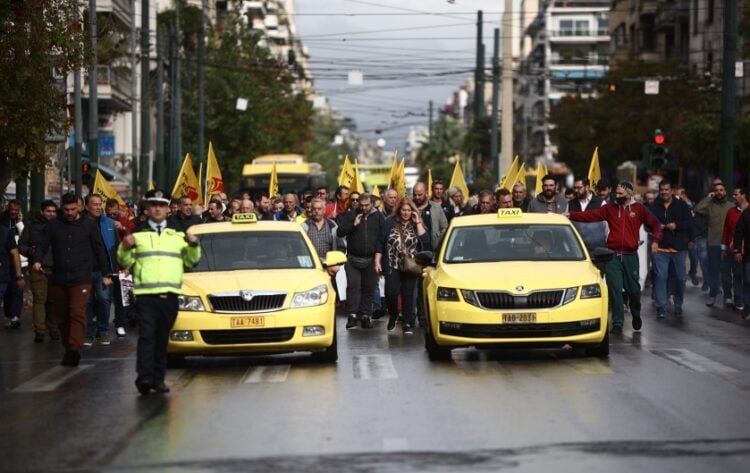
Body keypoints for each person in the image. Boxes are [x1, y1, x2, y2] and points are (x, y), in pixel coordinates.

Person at [117, 189, 201, 395]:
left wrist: (194, 245)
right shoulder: (138, 235)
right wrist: (125, 247)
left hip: (170, 295)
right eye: (153, 204)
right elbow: (124, 261)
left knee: (163, 338)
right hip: (146, 296)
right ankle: (144, 378)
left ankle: (158, 379)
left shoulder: (177, 236)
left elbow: (191, 261)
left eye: (161, 205)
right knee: (147, 336)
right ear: (147, 208)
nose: (157, 208)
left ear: (167, 209)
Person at [568, 181, 662, 333]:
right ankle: (618, 323)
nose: (616, 196)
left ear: (629, 193)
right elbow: (590, 216)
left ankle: (636, 313)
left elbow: (656, 225)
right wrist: (570, 215)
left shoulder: (639, 209)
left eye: (620, 194)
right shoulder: (609, 208)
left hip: (631, 256)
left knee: (633, 290)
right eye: (616, 193)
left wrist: (656, 241)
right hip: (612, 256)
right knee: (615, 290)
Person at [31, 193, 110, 367]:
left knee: (77, 311)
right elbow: (42, 244)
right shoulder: (53, 226)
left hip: (81, 276)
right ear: (62, 208)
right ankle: (68, 347)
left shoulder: (88, 226)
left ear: (79, 207)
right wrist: (37, 260)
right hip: (59, 277)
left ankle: (74, 348)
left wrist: (106, 274)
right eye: (66, 209)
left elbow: (99, 250)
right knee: (61, 315)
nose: (69, 212)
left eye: (73, 209)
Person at [375, 198, 430, 335]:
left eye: (409, 210)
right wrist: (377, 260)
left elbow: (426, 242)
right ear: (399, 210)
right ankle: (393, 314)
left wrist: (417, 222)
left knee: (408, 294)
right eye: (403, 210)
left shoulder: (417, 223)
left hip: (412, 265)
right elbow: (380, 242)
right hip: (393, 263)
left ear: (413, 211)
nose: (406, 213)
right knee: (390, 292)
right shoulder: (389, 222)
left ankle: (407, 322)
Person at [337, 193, 384, 329]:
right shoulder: (351, 214)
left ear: (371, 203)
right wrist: (353, 224)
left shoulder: (379, 216)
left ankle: (366, 316)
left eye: (366, 205)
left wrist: (379, 259)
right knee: (353, 287)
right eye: (361, 205)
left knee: (369, 288)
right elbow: (340, 232)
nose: (363, 208)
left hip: (371, 259)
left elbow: (382, 238)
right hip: (353, 258)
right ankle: (352, 316)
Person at [650, 181, 692, 318]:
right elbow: (647, 224)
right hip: (661, 247)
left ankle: (678, 303)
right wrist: (657, 227)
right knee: (661, 277)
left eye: (666, 189)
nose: (664, 192)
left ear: (671, 190)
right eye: (661, 190)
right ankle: (661, 306)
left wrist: (677, 225)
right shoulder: (654, 207)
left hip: (679, 248)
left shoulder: (681, 205)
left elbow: (690, 223)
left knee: (680, 278)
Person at [18, 200, 59, 342]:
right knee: (40, 299)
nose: (51, 214)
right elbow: (21, 245)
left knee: (53, 300)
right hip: (38, 268)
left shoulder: (59, 226)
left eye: (54, 211)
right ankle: (40, 331)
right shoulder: (31, 226)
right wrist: (30, 251)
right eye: (49, 211)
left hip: (56, 268)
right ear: (42, 211)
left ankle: (53, 328)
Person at [83, 194, 119, 346]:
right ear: (86, 207)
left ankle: (103, 331)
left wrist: (116, 267)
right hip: (85, 271)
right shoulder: (81, 224)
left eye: (100, 204)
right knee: (87, 302)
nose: (98, 207)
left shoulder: (109, 223)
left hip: (104, 270)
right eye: (94, 204)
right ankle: (89, 334)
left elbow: (117, 245)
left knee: (104, 300)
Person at [694, 182, 734, 307]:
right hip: (713, 243)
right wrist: (708, 197)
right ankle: (712, 294)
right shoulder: (709, 205)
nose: (719, 192)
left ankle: (728, 296)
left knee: (726, 271)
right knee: (713, 271)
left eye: (721, 190)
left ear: (725, 192)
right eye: (716, 190)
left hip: (727, 244)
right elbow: (697, 209)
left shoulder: (731, 206)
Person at [722, 187, 748, 311]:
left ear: (743, 195)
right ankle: (738, 300)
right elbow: (726, 230)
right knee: (737, 274)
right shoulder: (731, 212)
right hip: (735, 249)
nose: (733, 196)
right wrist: (724, 247)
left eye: (736, 194)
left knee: (747, 276)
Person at [1, 199, 25, 329]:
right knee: (7, 291)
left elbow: (25, 236)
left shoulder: (20, 223)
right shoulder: (3, 222)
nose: (14, 212)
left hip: (19, 261)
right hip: (5, 261)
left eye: (16, 210)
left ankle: (15, 316)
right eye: (12, 210)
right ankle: (9, 314)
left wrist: (20, 223)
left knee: (17, 289)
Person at [569, 177, 607, 252]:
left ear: (587, 187)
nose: (576, 190)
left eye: (579, 188)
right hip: (576, 249)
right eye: (575, 188)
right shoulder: (570, 204)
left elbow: (606, 227)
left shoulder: (600, 203)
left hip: (596, 249)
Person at [732, 201, 750, 319]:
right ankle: (747, 305)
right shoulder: (747, 213)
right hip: (749, 255)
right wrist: (737, 249)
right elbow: (738, 231)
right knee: (748, 280)